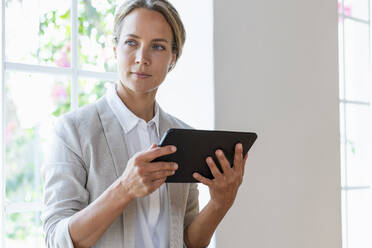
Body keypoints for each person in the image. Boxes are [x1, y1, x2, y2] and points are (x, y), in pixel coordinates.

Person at [41, 0, 248, 247]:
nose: (142, 58)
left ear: (173, 57)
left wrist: (220, 203)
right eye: (131, 42)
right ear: (115, 49)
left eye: (158, 47)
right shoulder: (71, 132)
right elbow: (57, 239)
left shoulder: (184, 137)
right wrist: (124, 189)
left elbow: (188, 241)